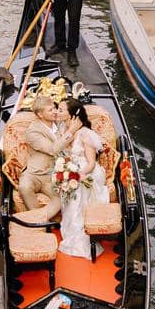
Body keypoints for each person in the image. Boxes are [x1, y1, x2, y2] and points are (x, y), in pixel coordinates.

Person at [57, 97, 108, 259]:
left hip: (89, 171)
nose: (58, 112)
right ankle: (72, 228)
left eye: (61, 110)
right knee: (68, 184)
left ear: (72, 115)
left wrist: (78, 175)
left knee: (77, 187)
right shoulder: (62, 130)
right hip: (72, 169)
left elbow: (92, 163)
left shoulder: (85, 134)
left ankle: (81, 234)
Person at [15, 93, 63, 216]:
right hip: (34, 174)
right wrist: (71, 131)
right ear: (40, 114)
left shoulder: (61, 124)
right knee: (24, 187)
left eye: (55, 108)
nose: (55, 112)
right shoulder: (32, 131)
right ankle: (37, 221)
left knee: (63, 195)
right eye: (51, 110)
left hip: (52, 176)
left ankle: (40, 220)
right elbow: (52, 149)